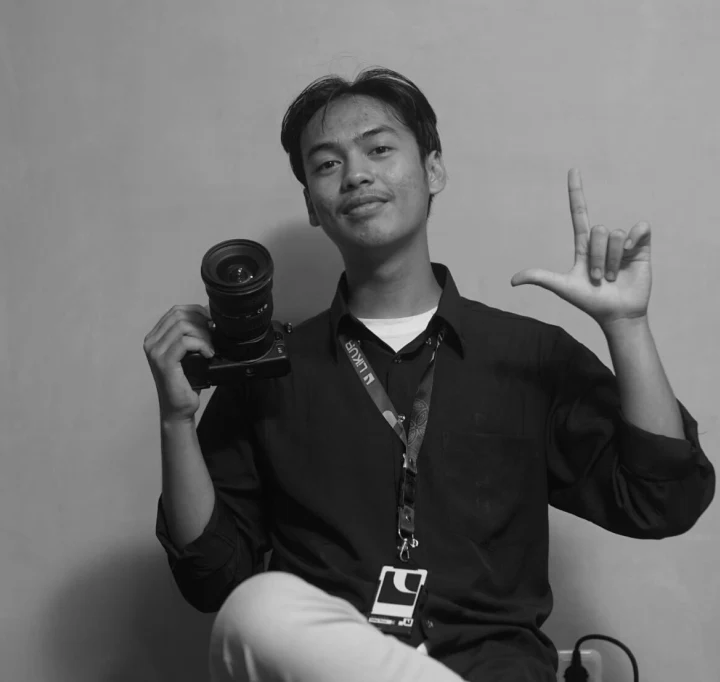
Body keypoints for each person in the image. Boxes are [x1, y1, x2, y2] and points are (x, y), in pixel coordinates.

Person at [143, 67, 715, 682]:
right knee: (256, 609)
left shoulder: (527, 353)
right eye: (327, 164)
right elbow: (211, 578)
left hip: (493, 668)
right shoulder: (267, 371)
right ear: (311, 203)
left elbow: (662, 501)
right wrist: (176, 419)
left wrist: (627, 326)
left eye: (379, 149)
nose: (356, 174)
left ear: (434, 169)